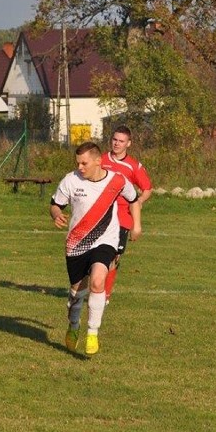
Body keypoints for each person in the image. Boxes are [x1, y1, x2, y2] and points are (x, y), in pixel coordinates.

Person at [50, 142, 139, 355]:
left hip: (105, 241)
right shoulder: (71, 180)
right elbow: (55, 204)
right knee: (76, 293)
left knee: (99, 281)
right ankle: (73, 326)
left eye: (84, 163)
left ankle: (92, 333)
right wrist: (56, 214)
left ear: (98, 161)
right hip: (77, 244)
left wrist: (137, 225)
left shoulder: (117, 180)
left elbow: (134, 199)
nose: (80, 167)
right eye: (78, 163)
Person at [100, 125, 152, 303]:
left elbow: (147, 189)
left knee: (114, 256)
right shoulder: (100, 160)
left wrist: (138, 204)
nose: (117, 144)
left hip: (122, 217)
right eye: (115, 140)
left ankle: (105, 294)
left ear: (128, 143)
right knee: (96, 255)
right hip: (100, 215)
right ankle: (95, 287)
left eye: (121, 141)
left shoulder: (133, 166)